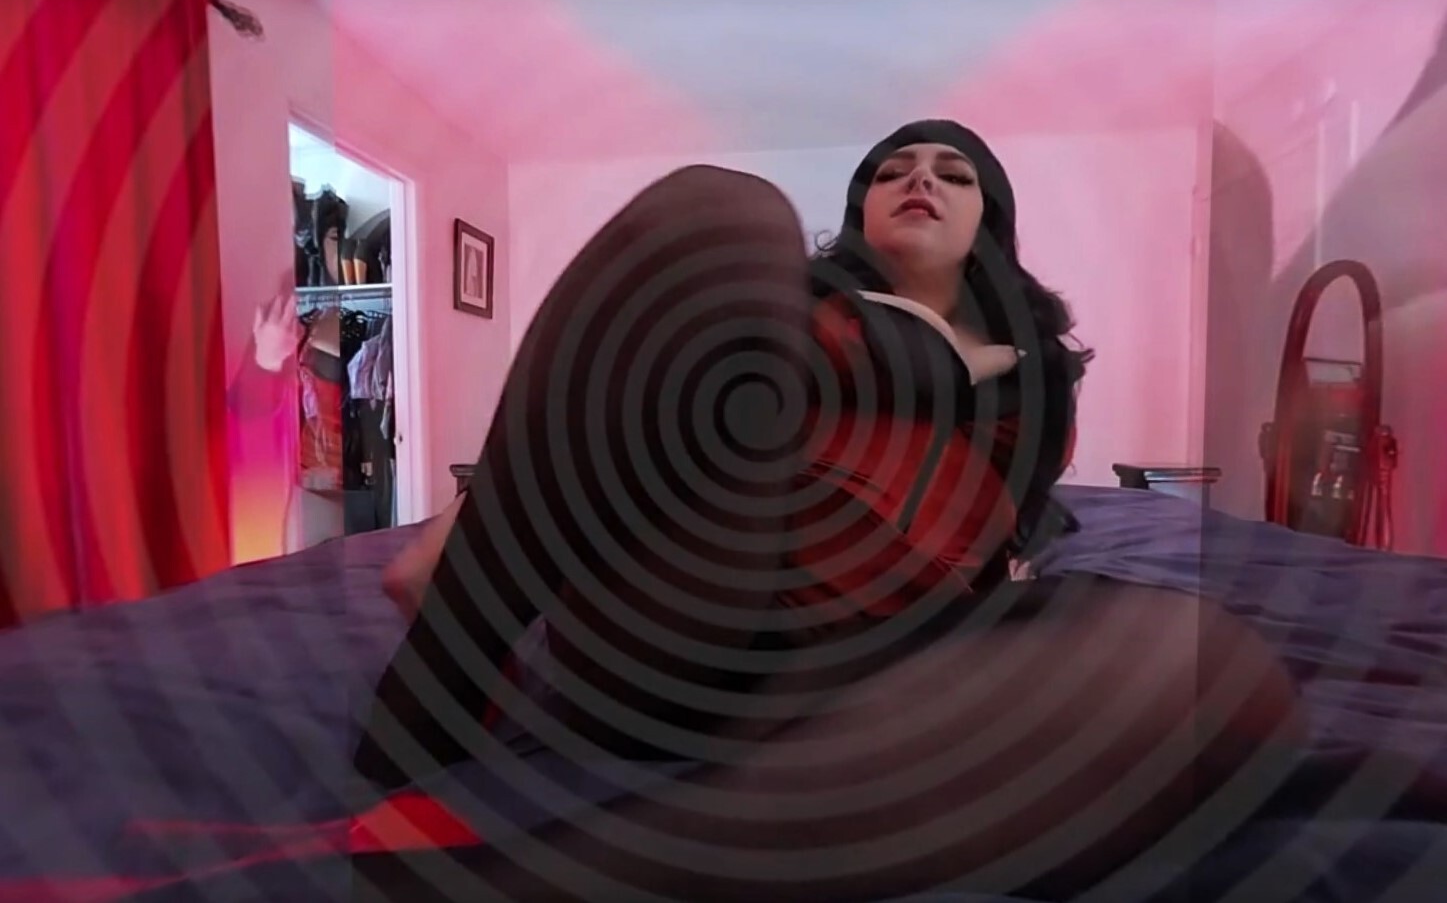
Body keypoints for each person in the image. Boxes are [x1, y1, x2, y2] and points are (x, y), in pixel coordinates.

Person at [353, 121, 1304, 900]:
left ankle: (565, 876)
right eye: (891, 169)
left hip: (869, 673)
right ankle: (447, 668)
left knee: (1205, 663)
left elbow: (1011, 522)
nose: (919, 178)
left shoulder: (1034, 376)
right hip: (687, 605)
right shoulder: (779, 315)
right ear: (858, 210)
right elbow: (609, 428)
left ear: (991, 218)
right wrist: (464, 531)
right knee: (722, 206)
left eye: (953, 172)